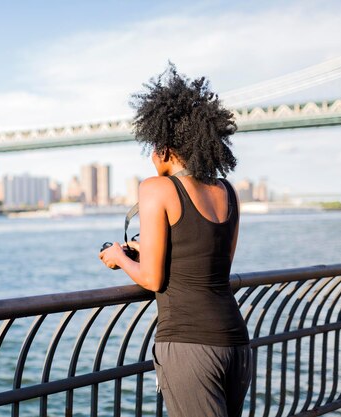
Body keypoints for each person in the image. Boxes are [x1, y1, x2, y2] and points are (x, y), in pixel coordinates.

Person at [98, 64, 252, 417]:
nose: (151, 155)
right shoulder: (227, 191)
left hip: (188, 343)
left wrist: (120, 256)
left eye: (152, 146)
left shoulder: (156, 188)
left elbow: (153, 280)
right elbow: (212, 262)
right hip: (235, 340)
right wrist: (145, 249)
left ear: (165, 148)